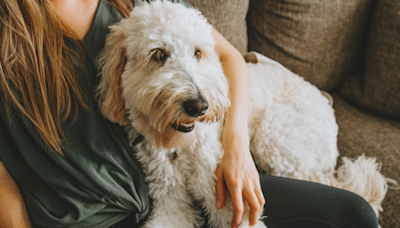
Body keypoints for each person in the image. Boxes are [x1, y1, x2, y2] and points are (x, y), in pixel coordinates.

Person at [0, 0, 379, 228]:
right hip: (93, 215)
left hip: (174, 178)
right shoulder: (10, 25)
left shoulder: (142, 7)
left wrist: (237, 146)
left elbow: (226, 55)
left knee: (354, 215)